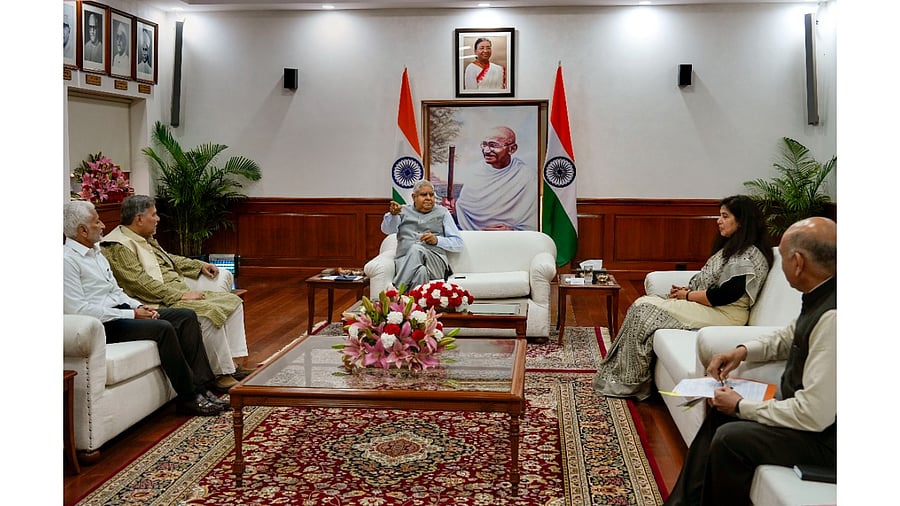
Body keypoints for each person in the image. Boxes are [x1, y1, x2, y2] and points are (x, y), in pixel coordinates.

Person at [664, 217, 836, 506]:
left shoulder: (835, 317)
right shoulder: (822, 295)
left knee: (731, 439)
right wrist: (742, 351)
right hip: (814, 425)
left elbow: (813, 415)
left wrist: (743, 406)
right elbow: (788, 336)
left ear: (797, 262)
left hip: (827, 440)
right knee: (720, 412)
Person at [594, 195, 773, 400]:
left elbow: (724, 296)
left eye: (725, 216)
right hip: (715, 308)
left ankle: (630, 384)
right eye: (719, 215)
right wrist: (687, 291)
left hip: (726, 315)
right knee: (645, 303)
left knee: (643, 309)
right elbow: (714, 285)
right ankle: (627, 378)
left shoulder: (748, 256)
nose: (718, 220)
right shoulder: (733, 249)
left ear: (741, 222)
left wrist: (687, 295)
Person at [64, 201, 227, 417]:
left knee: (186, 316)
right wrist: (131, 314)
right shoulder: (66, 261)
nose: (103, 225)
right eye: (97, 222)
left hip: (121, 311)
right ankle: (188, 398)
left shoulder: (95, 253)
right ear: (82, 230)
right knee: (163, 328)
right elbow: (80, 310)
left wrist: (138, 305)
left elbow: (116, 291)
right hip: (102, 325)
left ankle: (203, 387)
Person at [100, 195, 252, 392]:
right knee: (208, 313)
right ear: (139, 218)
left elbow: (167, 259)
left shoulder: (143, 238)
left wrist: (198, 265)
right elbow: (138, 283)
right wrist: (177, 296)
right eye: (153, 215)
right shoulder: (118, 245)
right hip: (154, 301)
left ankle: (232, 364)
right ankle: (220, 374)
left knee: (233, 302)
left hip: (176, 292)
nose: (158, 219)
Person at [442, 126, 537, 231]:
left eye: (493, 145)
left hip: (510, 240)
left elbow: (533, 222)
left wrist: (512, 231)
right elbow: (463, 214)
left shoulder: (527, 176)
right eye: (484, 145)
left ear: (512, 149)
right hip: (476, 240)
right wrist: (452, 210)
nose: (486, 150)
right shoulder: (475, 172)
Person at [382, 180, 463, 291]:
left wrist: (437, 240)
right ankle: (415, 305)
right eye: (424, 195)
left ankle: (396, 290)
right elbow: (388, 230)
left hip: (435, 262)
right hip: (405, 262)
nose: (429, 198)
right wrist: (393, 216)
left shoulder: (443, 212)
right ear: (414, 197)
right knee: (421, 272)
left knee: (417, 249)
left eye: (431, 195)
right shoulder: (401, 211)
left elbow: (458, 243)